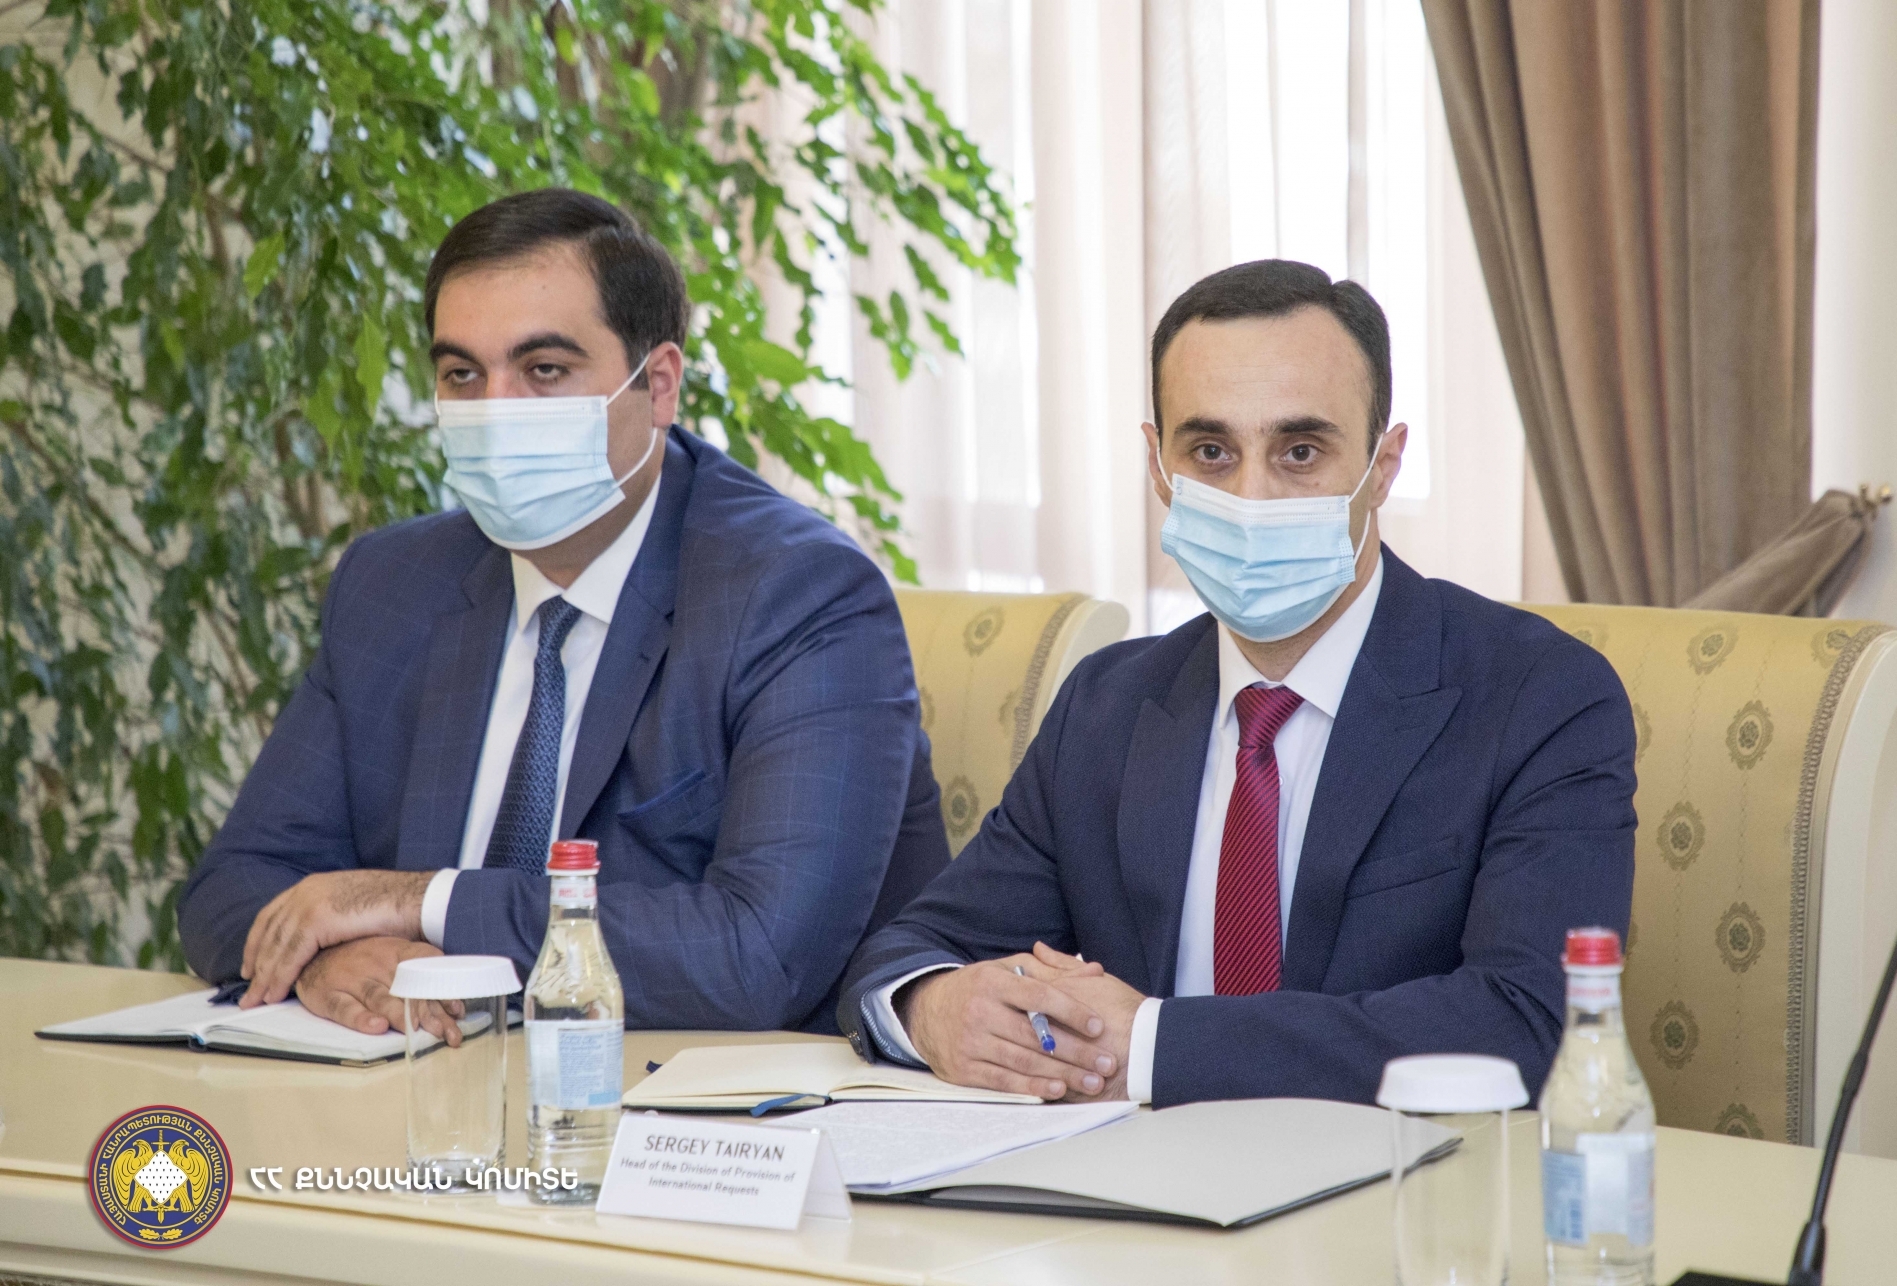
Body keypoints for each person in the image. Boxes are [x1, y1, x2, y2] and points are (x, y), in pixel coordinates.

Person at [838, 260, 1636, 1106]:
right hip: (1118, 1180)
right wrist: (934, 1008)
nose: (1252, 496)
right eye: (1211, 452)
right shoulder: (1105, 707)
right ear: (1158, 467)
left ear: (1384, 464)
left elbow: (1527, 1024)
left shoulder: (1540, 699)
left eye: (1301, 451)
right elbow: (916, 948)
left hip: (1406, 1179)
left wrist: (1152, 1044)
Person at [178, 188, 949, 1038]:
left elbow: (755, 956)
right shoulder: (393, 583)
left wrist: (415, 903)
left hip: (698, 1104)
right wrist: (334, 958)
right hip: (426, 1090)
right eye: (462, 375)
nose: (496, 409)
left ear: (659, 385)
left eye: (544, 371)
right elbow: (233, 886)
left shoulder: (798, 595)